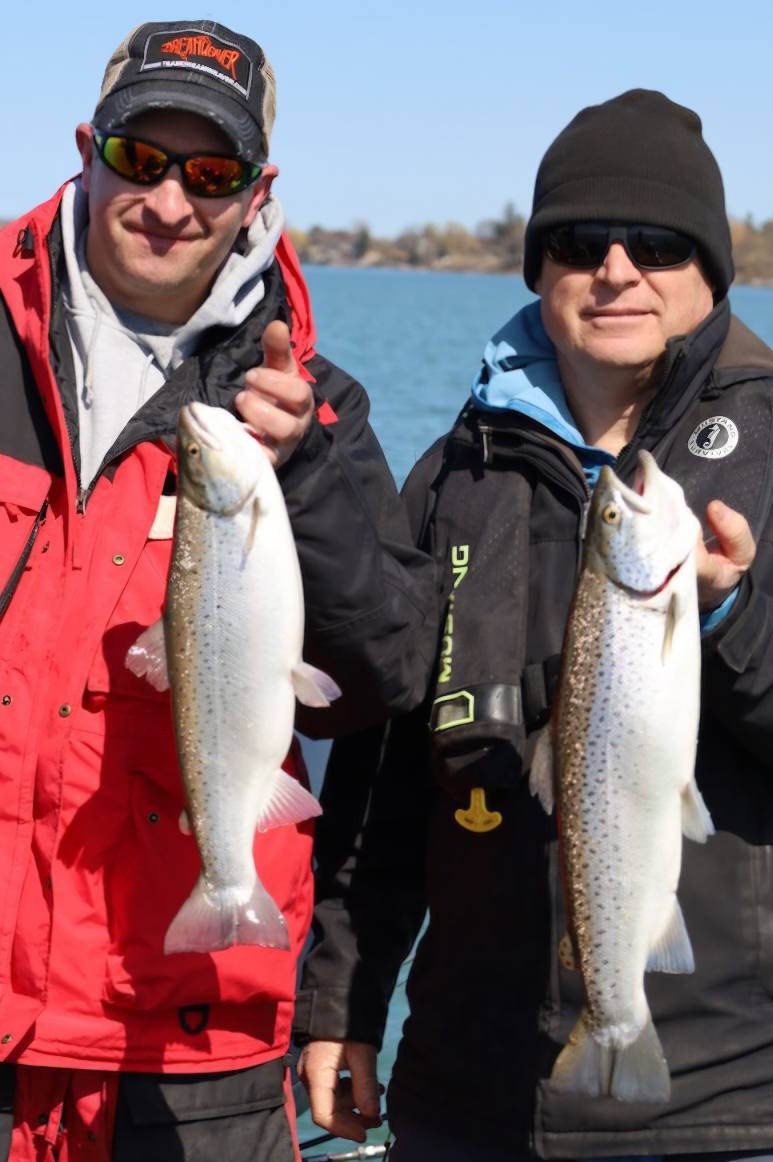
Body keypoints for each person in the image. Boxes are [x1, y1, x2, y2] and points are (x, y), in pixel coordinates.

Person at [295, 90, 773, 1162]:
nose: (615, 270)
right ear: (539, 270)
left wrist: (729, 615)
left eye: (655, 244)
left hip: (727, 1099)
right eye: (578, 242)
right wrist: (344, 1000)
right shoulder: (451, 475)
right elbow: (383, 773)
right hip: (470, 1092)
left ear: (708, 271)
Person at [0, 19, 437, 1162]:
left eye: (210, 173)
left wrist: (307, 469)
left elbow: (381, 675)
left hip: (191, 1049)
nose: (168, 201)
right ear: (87, 150)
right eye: (140, 158)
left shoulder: (308, 401)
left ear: (256, 193)